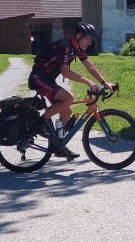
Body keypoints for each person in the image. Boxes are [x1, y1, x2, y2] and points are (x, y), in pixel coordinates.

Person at [28, 22, 114, 160]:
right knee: (69, 98)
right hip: (38, 78)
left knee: (66, 111)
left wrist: (104, 82)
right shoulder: (65, 47)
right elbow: (66, 72)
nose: (89, 43)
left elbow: (90, 66)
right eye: (87, 39)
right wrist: (88, 82)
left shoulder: (77, 49)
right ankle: (39, 124)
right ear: (78, 36)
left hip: (47, 80)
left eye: (91, 40)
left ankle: (58, 146)